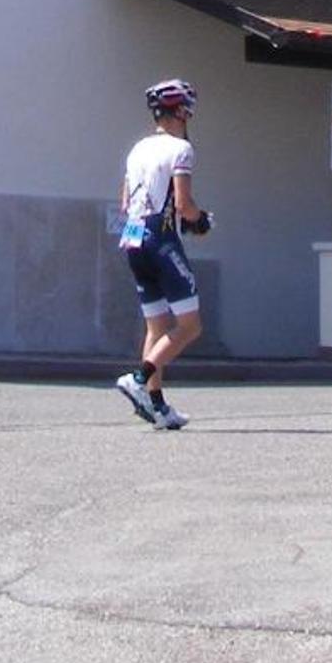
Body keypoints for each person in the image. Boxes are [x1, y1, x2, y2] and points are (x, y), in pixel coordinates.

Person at [114, 76, 211, 430]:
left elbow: (126, 204)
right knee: (190, 325)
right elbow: (184, 205)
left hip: (133, 237)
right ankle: (138, 379)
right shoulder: (181, 149)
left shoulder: (137, 149)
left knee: (156, 327)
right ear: (181, 111)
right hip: (161, 239)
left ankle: (157, 407)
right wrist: (200, 220)